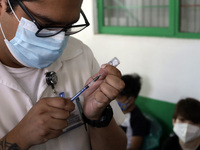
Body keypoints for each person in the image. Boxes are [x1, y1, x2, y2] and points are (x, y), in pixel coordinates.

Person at [0, 0, 127, 150]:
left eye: (68, 27)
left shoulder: (79, 53)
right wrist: (20, 138)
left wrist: (97, 117)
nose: (58, 40)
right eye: (45, 25)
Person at [116, 74, 149, 150]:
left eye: (119, 98)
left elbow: (134, 148)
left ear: (130, 99)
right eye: (115, 97)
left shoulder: (138, 120)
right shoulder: (114, 111)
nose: (115, 101)